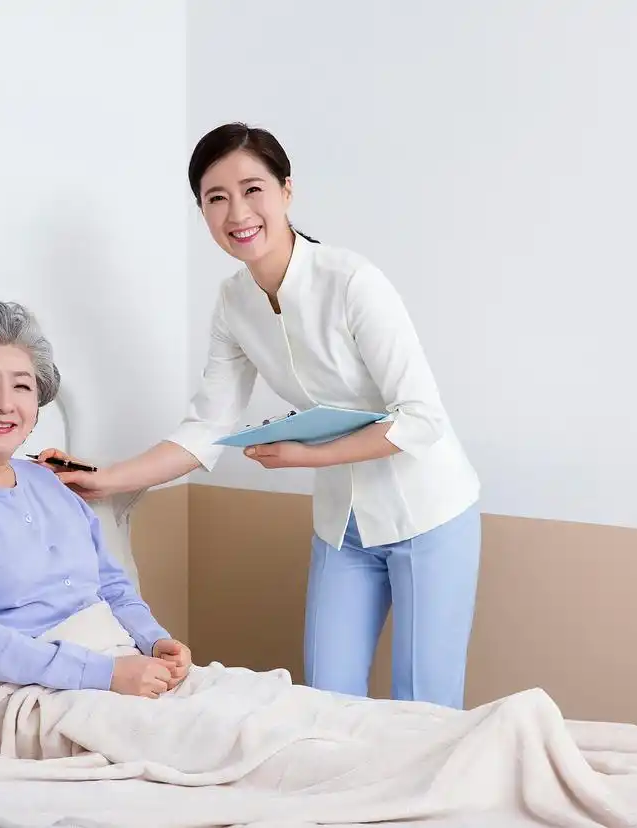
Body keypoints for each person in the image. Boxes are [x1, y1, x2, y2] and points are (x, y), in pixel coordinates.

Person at [38, 122, 482, 709]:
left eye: (253, 190)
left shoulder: (352, 282)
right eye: (216, 198)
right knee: (324, 704)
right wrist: (104, 479)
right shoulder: (234, 302)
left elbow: (422, 418)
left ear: (286, 191)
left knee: (425, 707)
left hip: (428, 511)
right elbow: (207, 427)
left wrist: (310, 456)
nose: (237, 213)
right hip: (342, 526)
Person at [0, 300, 192, 717]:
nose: (5, 404)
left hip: (122, 664)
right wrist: (105, 673)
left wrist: (155, 641)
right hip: (28, 695)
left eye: (22, 387)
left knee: (261, 715)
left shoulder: (48, 481)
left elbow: (112, 586)